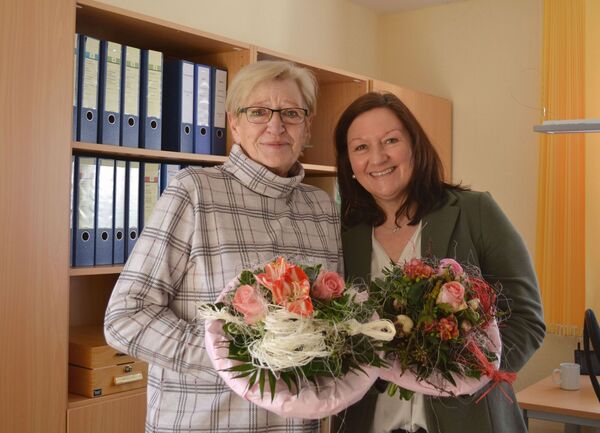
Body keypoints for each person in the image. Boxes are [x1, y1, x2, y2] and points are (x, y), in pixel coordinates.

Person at [104, 60, 342, 433]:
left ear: (307, 125)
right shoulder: (193, 191)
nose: (275, 126)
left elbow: (331, 320)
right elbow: (125, 318)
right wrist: (237, 357)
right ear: (234, 122)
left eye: (291, 114)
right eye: (259, 112)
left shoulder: (322, 206)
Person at [332, 92, 545, 433]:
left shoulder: (474, 211)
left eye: (391, 140)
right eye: (360, 147)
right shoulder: (343, 232)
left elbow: (527, 318)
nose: (378, 157)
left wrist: (469, 374)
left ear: (415, 146)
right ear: (349, 164)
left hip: (470, 419)